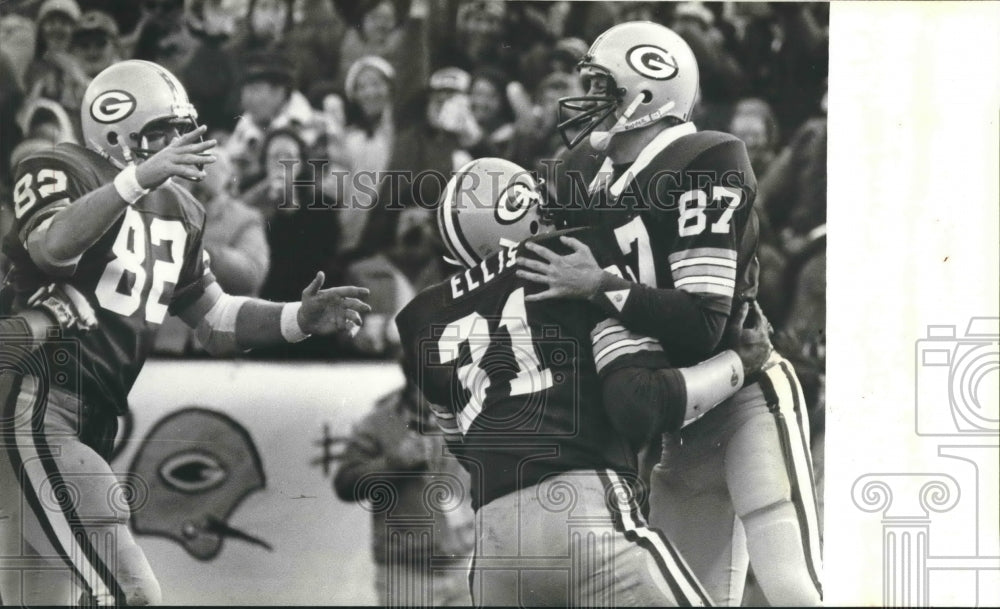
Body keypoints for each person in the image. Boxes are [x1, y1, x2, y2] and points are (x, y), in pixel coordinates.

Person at [0, 60, 371, 606]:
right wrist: (136, 180)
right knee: (129, 592)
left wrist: (296, 318)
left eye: (181, 129)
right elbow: (52, 247)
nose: (179, 143)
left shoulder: (181, 209)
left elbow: (217, 321)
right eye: (163, 131)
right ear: (115, 127)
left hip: (91, 414)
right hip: (35, 402)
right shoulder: (59, 165)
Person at [519, 21, 823, 607]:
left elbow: (703, 320)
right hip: (679, 425)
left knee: (791, 588)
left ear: (650, 88)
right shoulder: (591, 178)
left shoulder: (704, 158)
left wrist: (598, 285)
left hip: (746, 396)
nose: (586, 103)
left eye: (601, 88)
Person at [395, 157, 774, 606]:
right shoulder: (575, 264)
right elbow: (640, 405)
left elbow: (462, 446)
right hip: (587, 518)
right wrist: (737, 366)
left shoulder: (423, 320)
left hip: (495, 549)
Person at [333, 365, 475, 606]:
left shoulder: (468, 415)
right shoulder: (378, 422)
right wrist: (394, 463)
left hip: (463, 567)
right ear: (412, 380)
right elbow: (345, 485)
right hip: (405, 574)